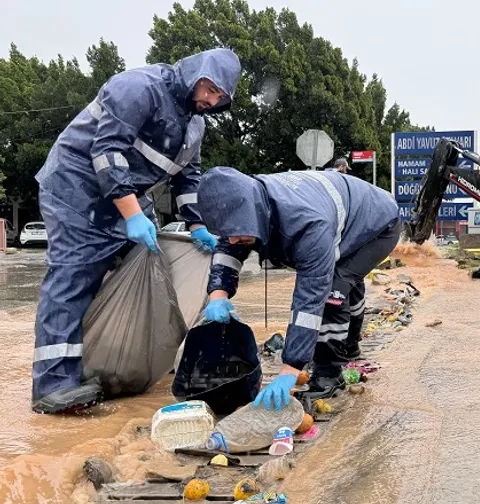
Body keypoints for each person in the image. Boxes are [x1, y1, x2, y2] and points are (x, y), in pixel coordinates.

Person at [31, 48, 242, 414]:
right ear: (195, 74)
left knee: (151, 273)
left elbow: (187, 176)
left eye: (219, 98)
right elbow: (107, 151)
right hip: (74, 190)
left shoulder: (195, 125)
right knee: (74, 278)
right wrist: (132, 215)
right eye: (209, 89)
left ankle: (114, 364)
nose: (210, 100)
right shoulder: (138, 87)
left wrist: (197, 224)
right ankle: (52, 387)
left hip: (124, 195)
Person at [196, 166, 400, 411]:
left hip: (378, 226)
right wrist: (218, 294)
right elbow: (228, 250)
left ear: (254, 214)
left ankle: (329, 372)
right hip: (344, 216)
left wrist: (289, 370)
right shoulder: (248, 203)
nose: (232, 241)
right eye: (226, 234)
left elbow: (310, 298)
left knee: (332, 293)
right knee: (345, 279)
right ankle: (350, 346)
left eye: (237, 234)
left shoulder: (308, 226)